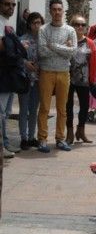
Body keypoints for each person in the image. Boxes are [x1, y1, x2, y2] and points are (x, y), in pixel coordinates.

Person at [37, 0, 77, 153]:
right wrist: (63, 48)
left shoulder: (70, 31)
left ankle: (60, 139)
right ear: (50, 11)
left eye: (59, 9)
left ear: (63, 11)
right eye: (54, 9)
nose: (57, 12)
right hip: (46, 72)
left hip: (63, 73)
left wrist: (52, 45)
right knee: (45, 108)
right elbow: (42, 52)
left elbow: (72, 52)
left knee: (62, 108)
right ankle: (42, 140)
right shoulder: (43, 30)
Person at [65, 14, 96, 144]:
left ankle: (81, 130)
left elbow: (94, 63)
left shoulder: (90, 43)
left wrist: (92, 79)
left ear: (86, 27)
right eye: (76, 24)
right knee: (68, 107)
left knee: (84, 107)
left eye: (83, 24)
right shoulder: (67, 41)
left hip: (84, 80)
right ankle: (69, 133)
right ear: (71, 26)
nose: (80, 27)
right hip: (67, 79)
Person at [0, 0, 21, 158]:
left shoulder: (6, 23)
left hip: (8, 75)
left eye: (13, 4)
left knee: (4, 113)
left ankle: (4, 144)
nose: (11, 7)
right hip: (2, 75)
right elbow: (3, 49)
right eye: (7, 4)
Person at [18, 12, 44, 150]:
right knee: (24, 110)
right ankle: (23, 137)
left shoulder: (43, 40)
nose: (37, 25)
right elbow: (16, 57)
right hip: (25, 79)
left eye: (39, 22)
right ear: (29, 24)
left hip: (39, 79)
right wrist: (25, 63)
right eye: (34, 22)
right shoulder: (22, 39)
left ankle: (31, 136)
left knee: (34, 109)